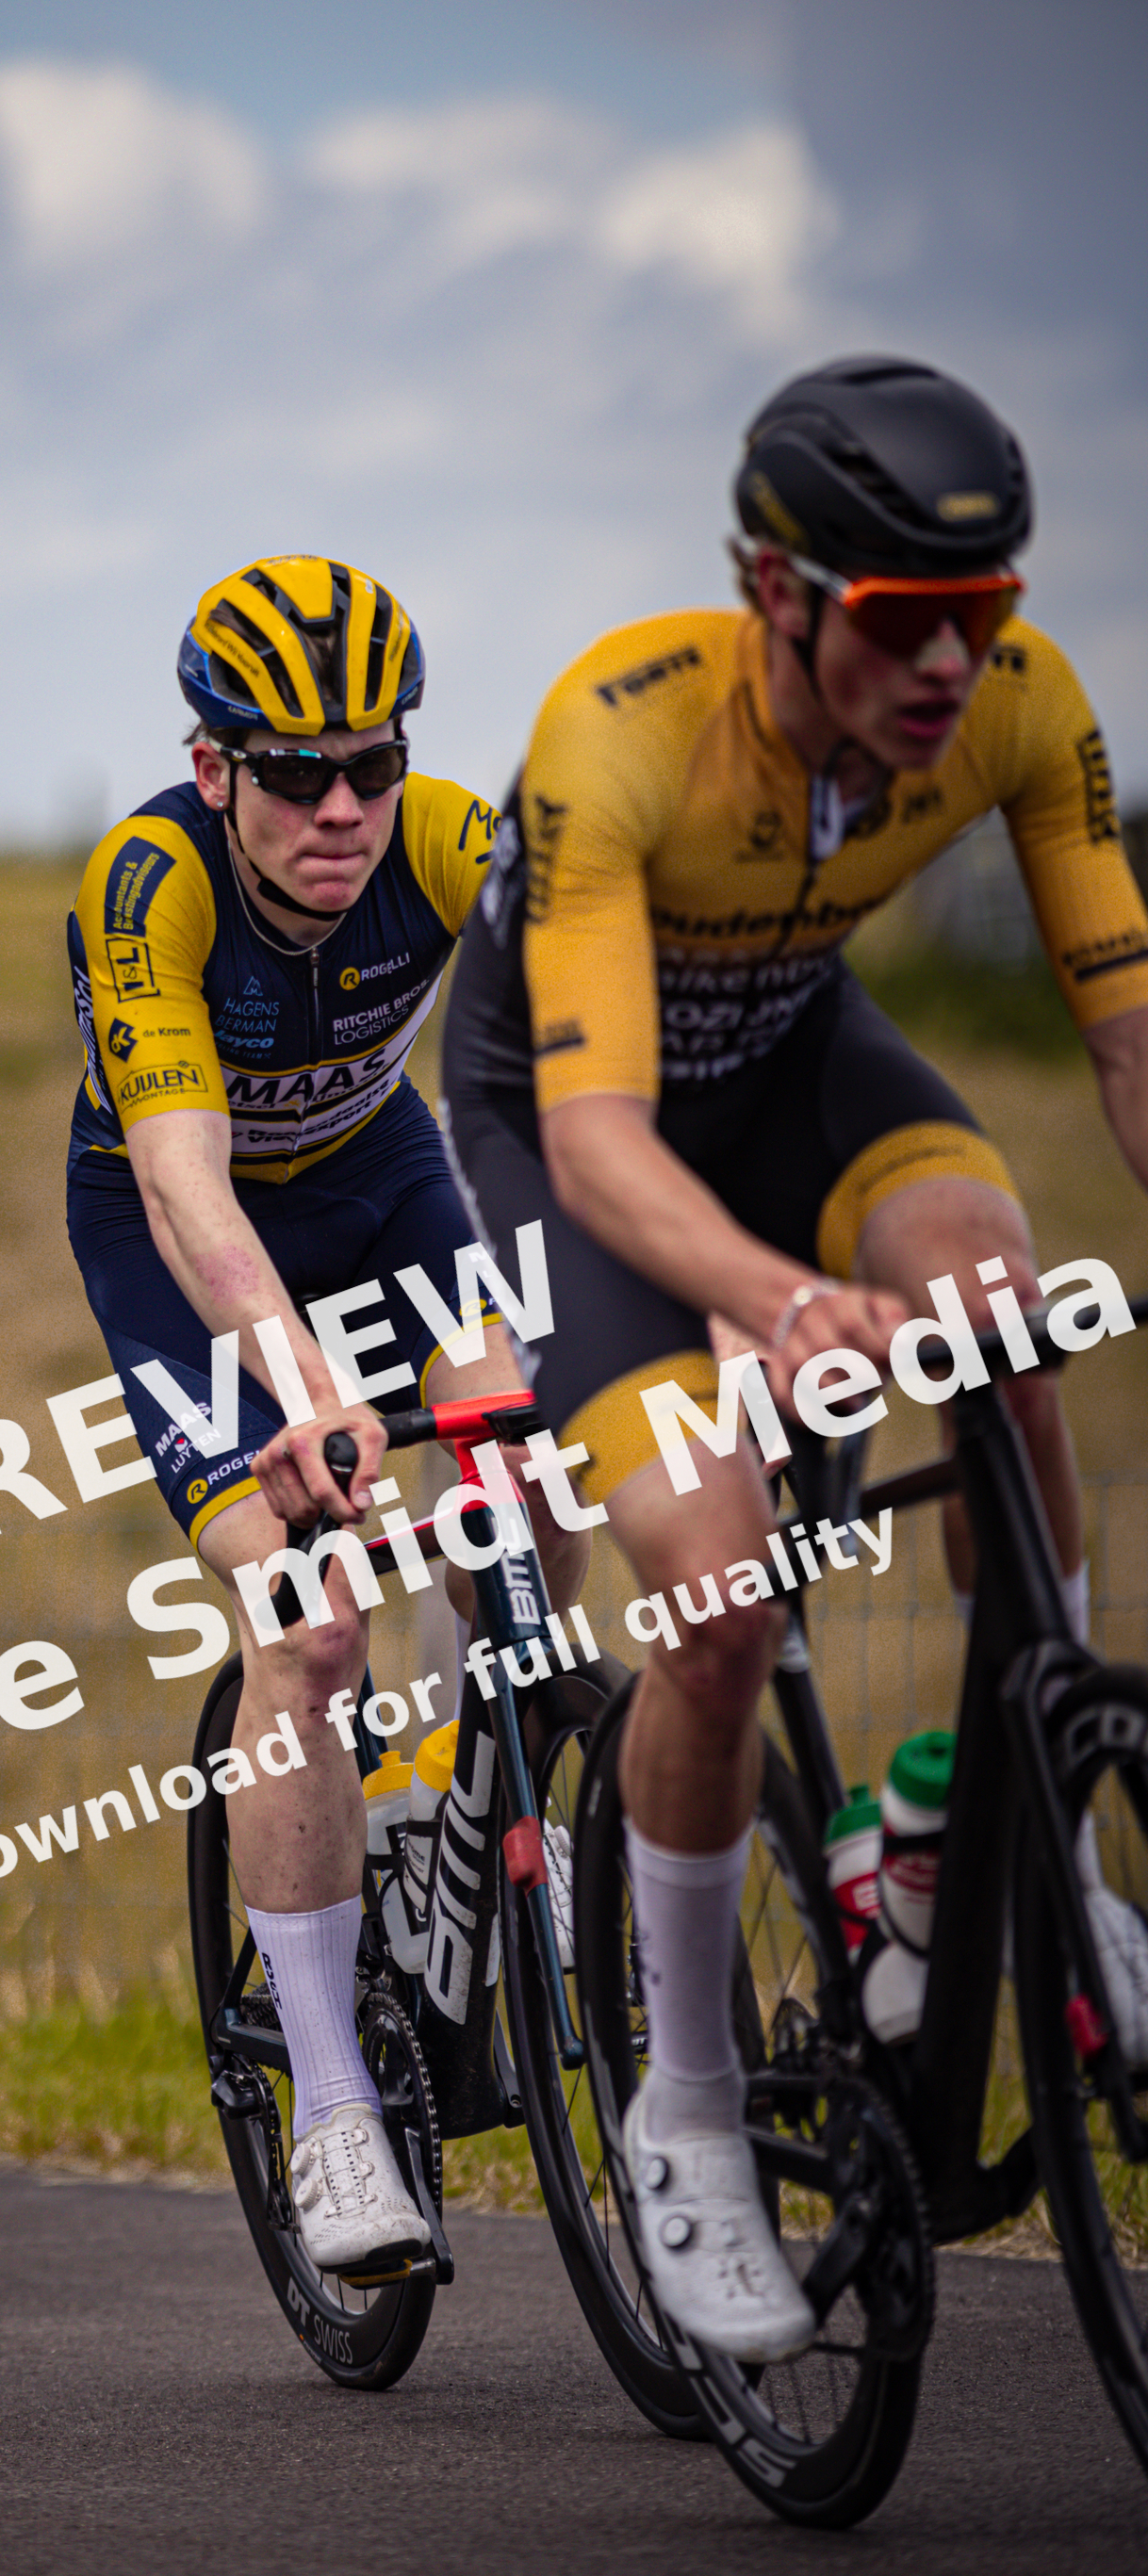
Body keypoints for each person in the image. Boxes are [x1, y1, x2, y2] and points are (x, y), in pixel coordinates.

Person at [441, 354, 1148, 2360]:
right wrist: (773, 1303)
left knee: (1006, 1328)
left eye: (984, 616)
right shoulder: (618, 735)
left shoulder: (1020, 705)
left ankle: (1008, 1847)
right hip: (569, 1139)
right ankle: (681, 2110)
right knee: (717, 1579)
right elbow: (591, 1142)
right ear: (778, 595)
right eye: (905, 623)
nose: (951, 666)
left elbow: (1120, 1025)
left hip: (796, 1068)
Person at [65, 556, 587, 2276]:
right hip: (186, 1243)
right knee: (307, 1623)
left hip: (383, 1187)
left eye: (372, 763)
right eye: (295, 773)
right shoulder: (149, 884)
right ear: (216, 769)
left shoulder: (444, 838)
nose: (343, 806)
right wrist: (304, 1389)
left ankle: (455, 1813)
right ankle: (336, 2108)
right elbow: (185, 1188)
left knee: (540, 1480)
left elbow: (583, 1032)